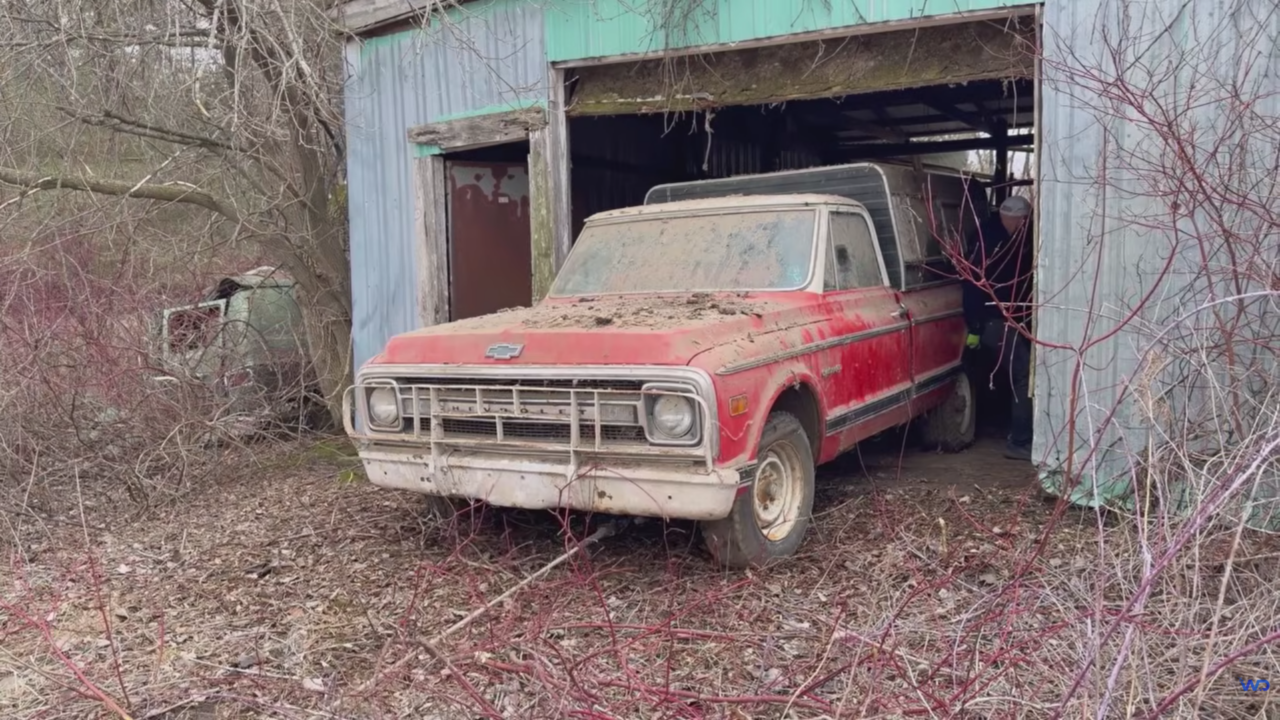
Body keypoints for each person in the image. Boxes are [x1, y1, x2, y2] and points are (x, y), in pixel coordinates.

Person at [962, 194, 1035, 461]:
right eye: (1024, 221)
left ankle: (1019, 435)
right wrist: (976, 325)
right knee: (1023, 374)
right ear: (1015, 218)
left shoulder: (1008, 238)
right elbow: (971, 283)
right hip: (993, 320)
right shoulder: (988, 241)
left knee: (1017, 373)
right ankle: (1019, 441)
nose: (1026, 226)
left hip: (1007, 316)